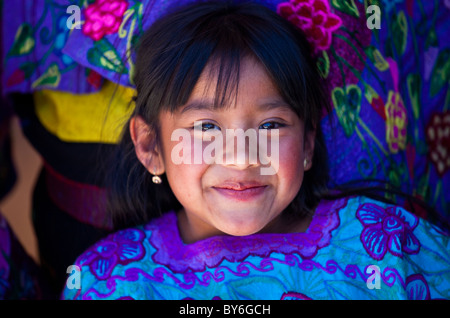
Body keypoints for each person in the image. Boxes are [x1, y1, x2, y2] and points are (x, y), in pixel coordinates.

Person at [60, 1, 450, 300]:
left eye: (270, 125)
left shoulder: (383, 246)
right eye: (207, 127)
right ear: (150, 146)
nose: (242, 157)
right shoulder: (108, 280)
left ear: (308, 143)